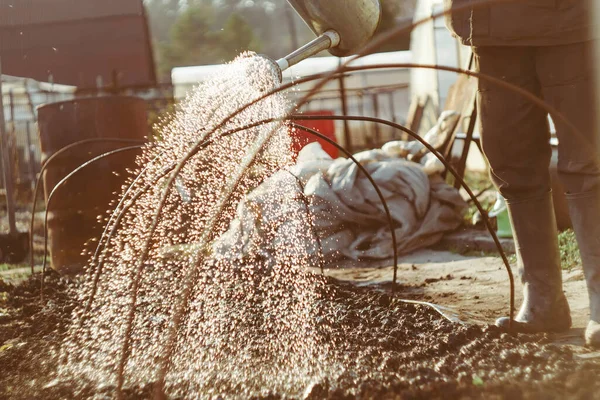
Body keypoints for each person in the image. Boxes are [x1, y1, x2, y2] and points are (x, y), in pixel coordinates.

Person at [444, 0, 599, 348]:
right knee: (511, 159)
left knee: (587, 157)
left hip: (568, 23)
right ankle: (543, 299)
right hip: (489, 27)